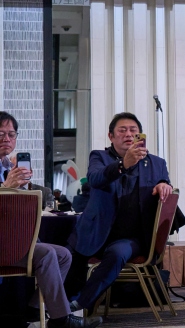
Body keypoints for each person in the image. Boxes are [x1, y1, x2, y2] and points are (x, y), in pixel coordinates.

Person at [0, 111, 102, 328]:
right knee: (46, 254)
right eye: (1, 134)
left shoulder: (8, 167)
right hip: (3, 243)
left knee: (63, 254)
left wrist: (23, 187)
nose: (6, 139)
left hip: (12, 239)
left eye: (11, 134)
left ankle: (33, 312)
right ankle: (61, 320)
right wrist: (7, 187)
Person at [65, 112, 172, 314]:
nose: (128, 134)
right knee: (69, 253)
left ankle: (79, 305)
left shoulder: (156, 163)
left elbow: (164, 181)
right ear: (111, 136)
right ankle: (54, 306)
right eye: (122, 131)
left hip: (132, 237)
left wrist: (164, 185)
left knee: (117, 254)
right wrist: (123, 165)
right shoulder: (99, 157)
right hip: (97, 230)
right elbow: (95, 179)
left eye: (133, 131)